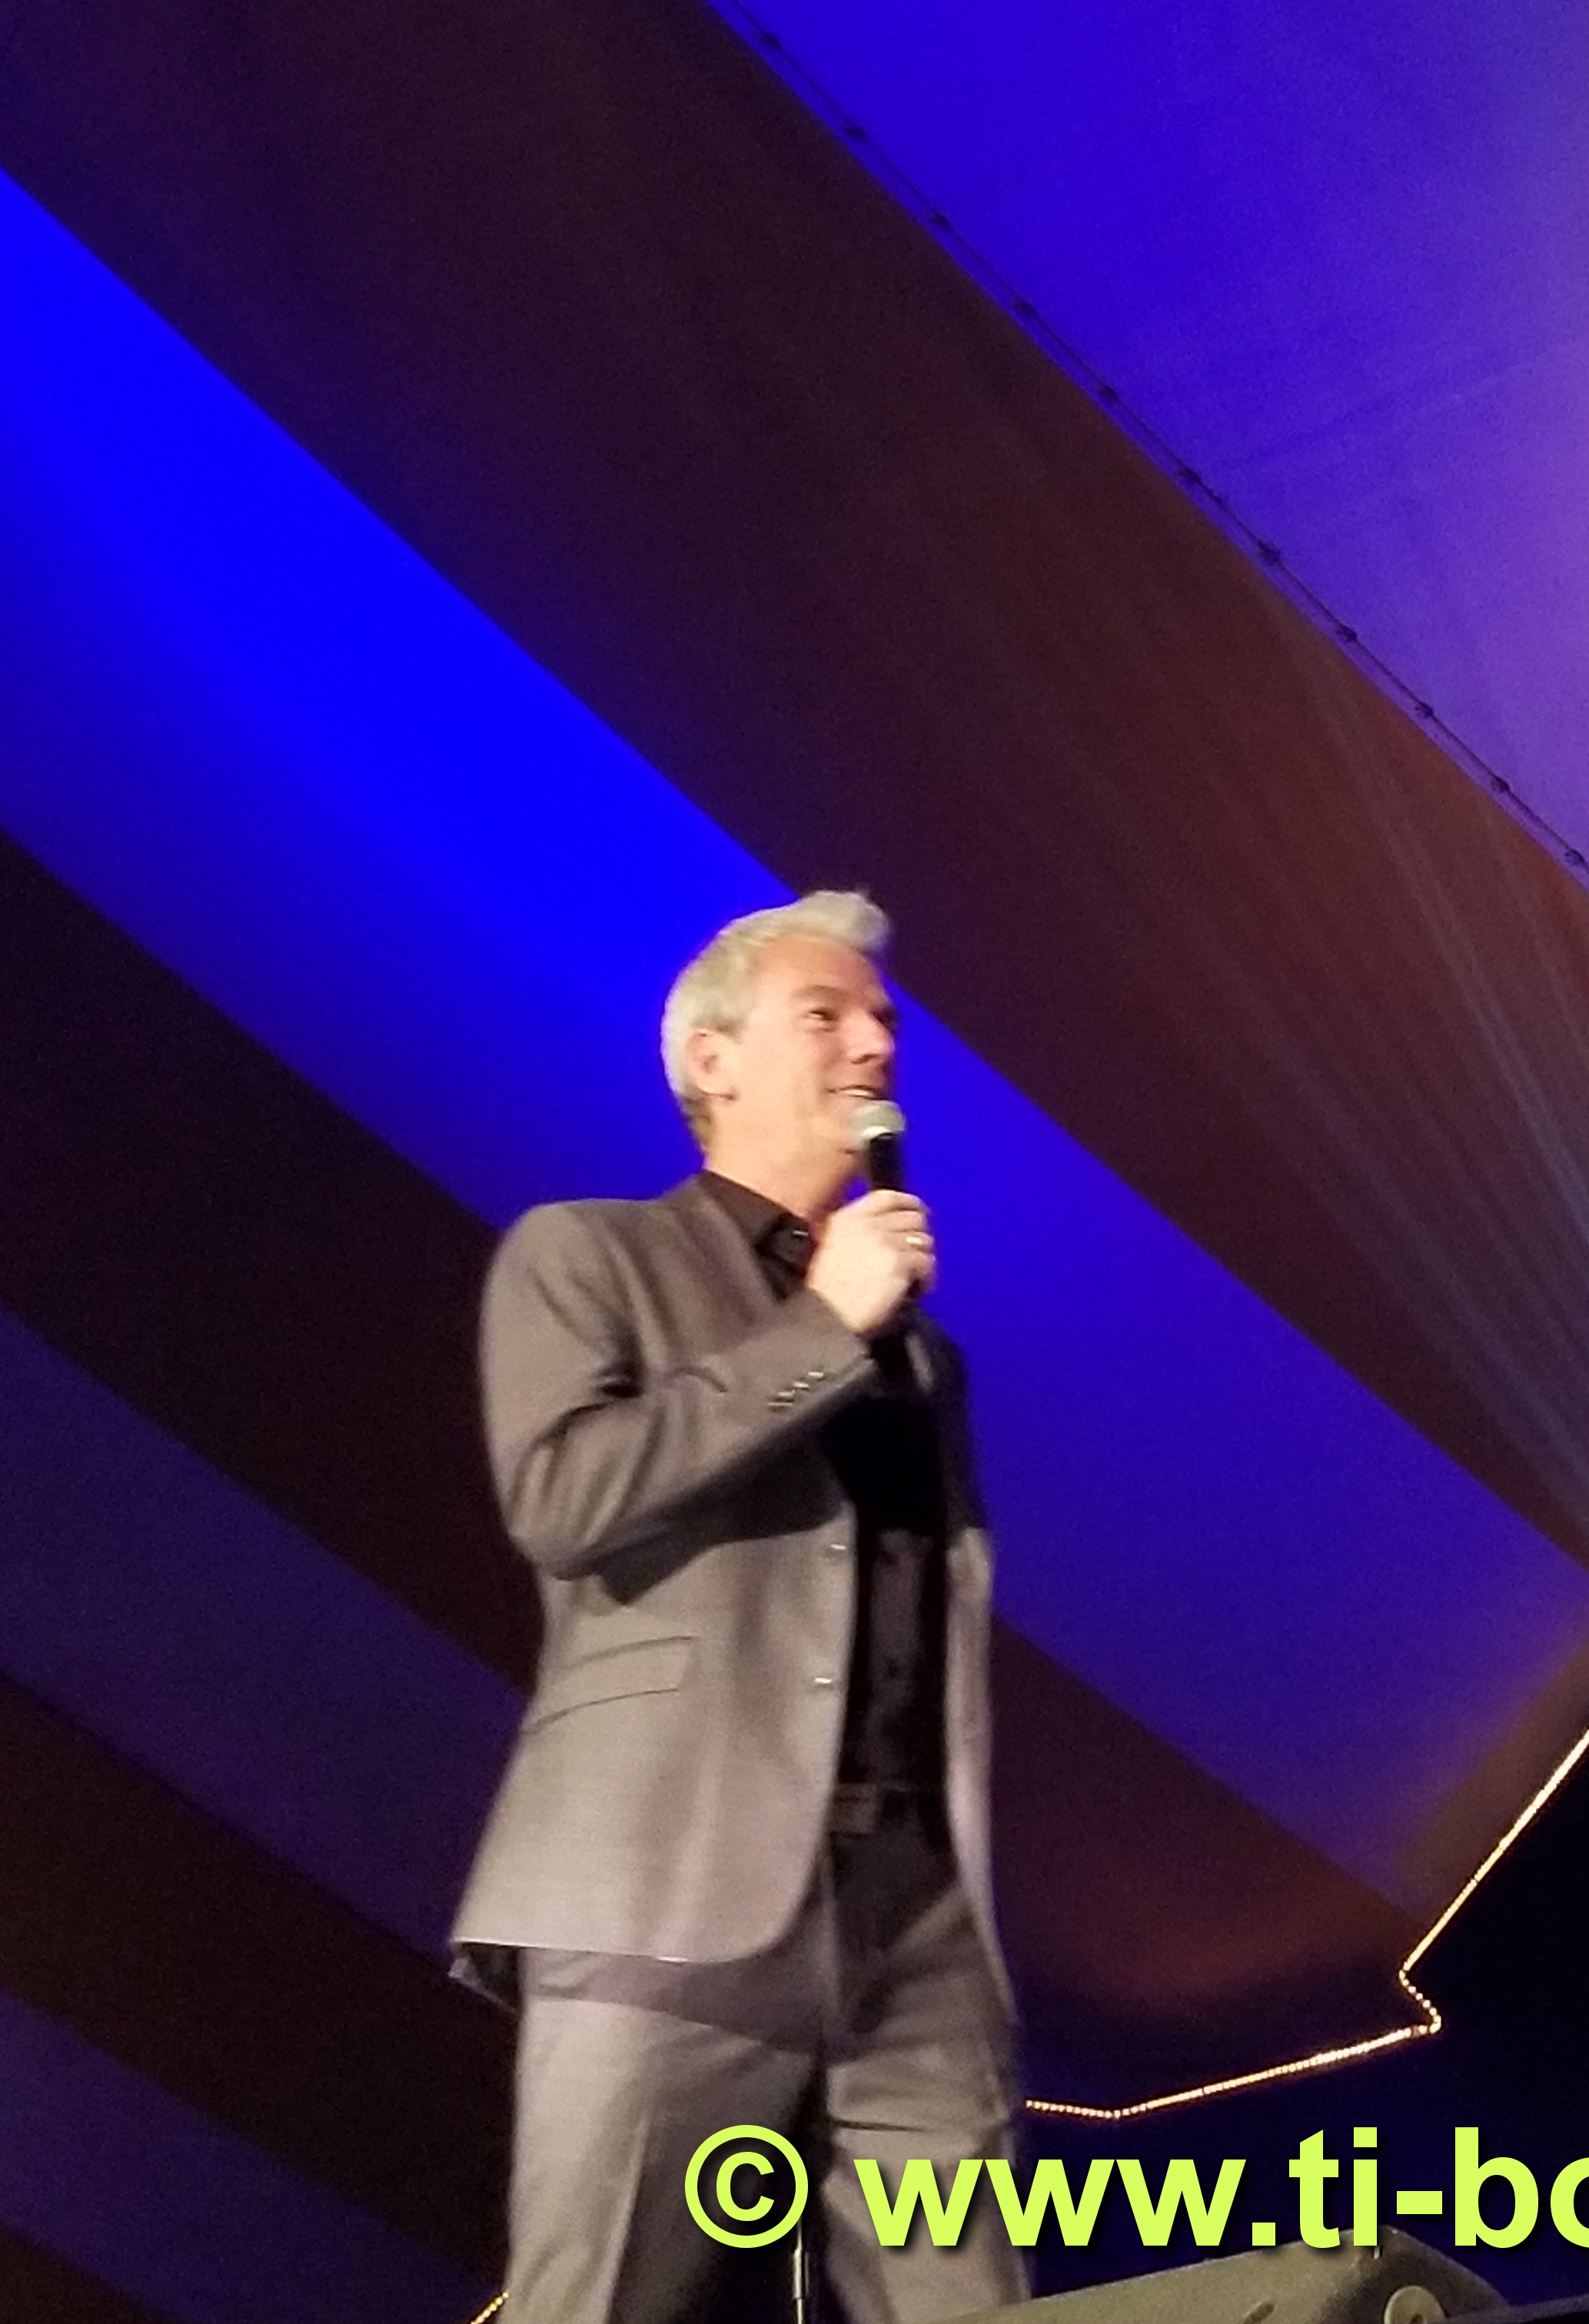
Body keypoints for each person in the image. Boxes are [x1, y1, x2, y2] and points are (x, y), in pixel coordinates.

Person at [452, 891, 1023, 2322]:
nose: (873, 1045)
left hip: (914, 1915)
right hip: (669, 1884)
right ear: (712, 1062)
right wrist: (823, 1325)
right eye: (825, 1016)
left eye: (882, 1022)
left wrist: (861, 1325)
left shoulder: (924, 1355)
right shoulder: (588, 1255)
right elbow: (564, 1499)